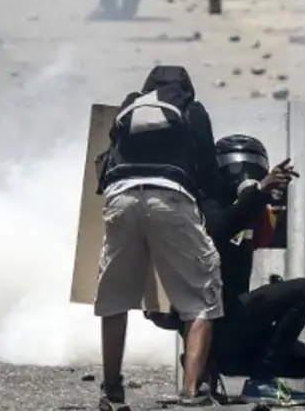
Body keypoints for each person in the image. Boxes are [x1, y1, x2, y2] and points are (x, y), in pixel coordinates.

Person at [146, 134, 305, 405]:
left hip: (233, 321)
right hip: (212, 317)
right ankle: (254, 379)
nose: (244, 172)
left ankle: (220, 367)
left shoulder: (251, 210)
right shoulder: (206, 204)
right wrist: (257, 193)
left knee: (303, 359)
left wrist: (262, 198)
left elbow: (259, 234)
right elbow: (220, 229)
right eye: (238, 165)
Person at [94, 65, 222, 409]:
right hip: (171, 198)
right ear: (187, 90)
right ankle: (192, 392)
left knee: (116, 296)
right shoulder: (193, 112)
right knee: (200, 297)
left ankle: (111, 390)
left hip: (120, 197)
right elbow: (209, 169)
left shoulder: (130, 106)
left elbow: (108, 155)